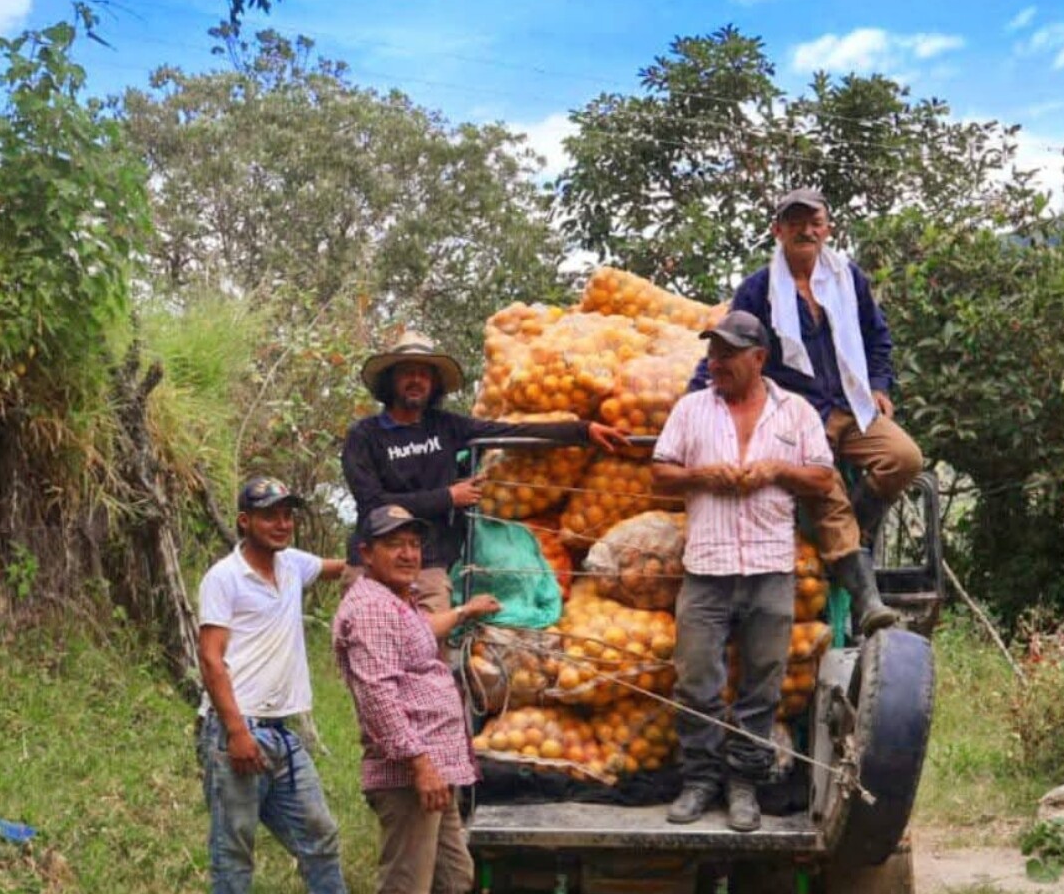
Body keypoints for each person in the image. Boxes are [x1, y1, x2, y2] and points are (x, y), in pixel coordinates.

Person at [691, 187, 915, 632]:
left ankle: (850, 541)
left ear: (827, 229)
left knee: (905, 459)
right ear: (778, 231)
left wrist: (878, 384)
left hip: (851, 403)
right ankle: (867, 601)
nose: (806, 231)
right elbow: (731, 346)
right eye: (795, 223)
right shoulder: (759, 289)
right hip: (797, 412)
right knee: (824, 486)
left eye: (815, 222)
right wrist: (694, 399)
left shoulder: (847, 278)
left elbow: (878, 338)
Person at [654, 311, 838, 830]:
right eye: (713, 353)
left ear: (759, 358)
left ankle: (744, 787)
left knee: (762, 685)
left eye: (729, 354)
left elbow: (823, 477)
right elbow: (661, 471)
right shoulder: (691, 410)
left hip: (769, 569)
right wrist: (700, 475)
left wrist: (778, 470)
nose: (717, 363)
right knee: (696, 680)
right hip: (707, 569)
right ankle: (698, 783)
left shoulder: (795, 413)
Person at [197, 476, 362, 894]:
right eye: (270, 515)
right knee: (234, 847)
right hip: (237, 730)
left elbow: (342, 569)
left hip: (282, 733)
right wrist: (236, 733)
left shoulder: (292, 566)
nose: (282, 523)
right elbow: (210, 659)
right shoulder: (224, 577)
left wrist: (381, 557)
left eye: (288, 514)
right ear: (245, 521)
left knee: (320, 834)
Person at [341, 330, 627, 614]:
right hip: (371, 566)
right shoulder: (365, 435)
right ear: (391, 380)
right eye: (407, 373)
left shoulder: (446, 426)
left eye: (424, 374)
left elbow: (512, 430)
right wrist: (447, 497)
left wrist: (582, 430)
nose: (416, 380)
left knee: (428, 653)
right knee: (367, 649)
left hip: (426, 566)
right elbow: (373, 503)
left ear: (434, 384)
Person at [332, 504, 503, 894]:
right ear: (366, 552)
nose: (408, 553)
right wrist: (420, 763)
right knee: (406, 893)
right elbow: (378, 697)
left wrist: (466, 610)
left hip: (436, 769)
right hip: (412, 774)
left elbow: (420, 633)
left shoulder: (396, 600)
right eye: (394, 544)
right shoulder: (369, 609)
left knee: (452, 877)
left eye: (413, 543)